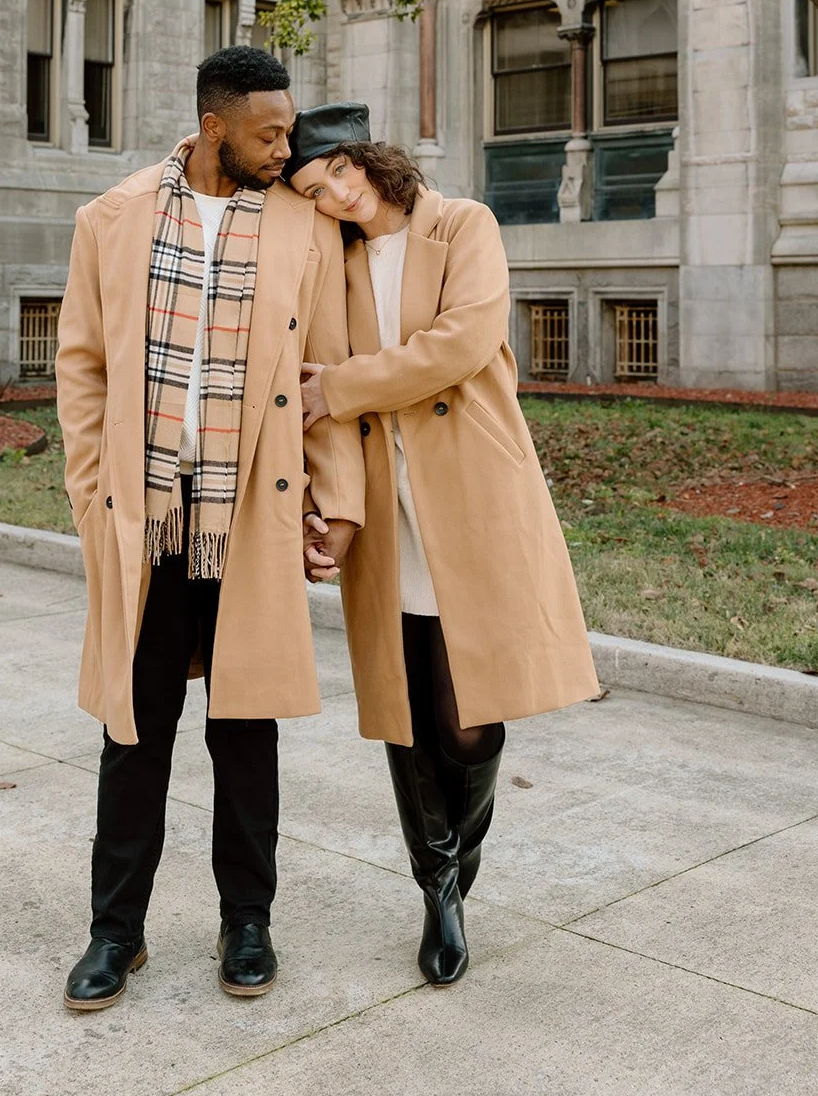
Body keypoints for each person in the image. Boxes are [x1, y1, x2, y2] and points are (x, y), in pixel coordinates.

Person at [55, 51, 364, 1012]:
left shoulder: (304, 225)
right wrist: (90, 492)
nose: (287, 148)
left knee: (246, 726)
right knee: (134, 731)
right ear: (215, 124)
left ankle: (248, 922)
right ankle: (116, 934)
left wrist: (338, 503)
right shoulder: (112, 217)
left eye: (290, 130)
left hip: (253, 509)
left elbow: (328, 372)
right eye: (269, 133)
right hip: (146, 515)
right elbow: (81, 368)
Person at [284, 103, 599, 986]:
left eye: (337, 175)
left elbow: (459, 344)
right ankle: (439, 892)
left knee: (465, 724)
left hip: (468, 493)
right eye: (313, 192)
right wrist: (336, 501)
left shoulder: (463, 225)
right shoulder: (332, 266)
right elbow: (314, 394)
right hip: (388, 510)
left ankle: (457, 855)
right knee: (406, 713)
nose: (335, 199)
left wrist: (341, 386)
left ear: (366, 159)